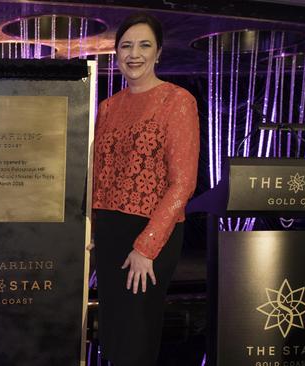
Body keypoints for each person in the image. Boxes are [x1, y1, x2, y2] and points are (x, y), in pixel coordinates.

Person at [90, 13, 199, 366]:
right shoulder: (107, 108)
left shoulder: (177, 101)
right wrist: (89, 226)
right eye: (126, 46)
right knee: (114, 332)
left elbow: (183, 183)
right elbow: (98, 174)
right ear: (116, 53)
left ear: (159, 52)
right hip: (108, 235)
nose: (134, 54)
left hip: (150, 235)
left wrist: (146, 247)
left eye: (144, 45)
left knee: (137, 335)